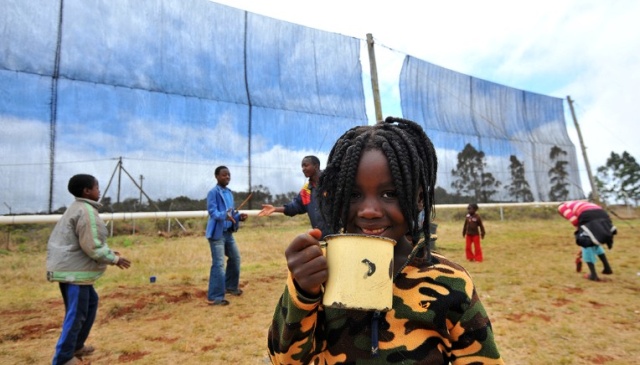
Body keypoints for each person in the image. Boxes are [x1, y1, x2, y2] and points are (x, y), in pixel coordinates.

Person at [267, 117, 503, 364]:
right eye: (354, 194)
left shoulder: (449, 281)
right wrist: (303, 293)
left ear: (419, 199)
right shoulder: (319, 274)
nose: (369, 210)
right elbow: (283, 360)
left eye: (390, 194)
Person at [46, 174, 131, 365]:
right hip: (74, 273)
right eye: (96, 187)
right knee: (76, 315)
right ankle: (63, 358)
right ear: (86, 191)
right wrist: (115, 259)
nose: (98, 191)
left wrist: (108, 252)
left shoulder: (80, 209)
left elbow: (88, 242)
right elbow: (92, 246)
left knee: (90, 303)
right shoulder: (85, 212)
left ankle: (76, 346)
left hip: (73, 270)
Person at [205, 165, 248, 306]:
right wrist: (225, 216)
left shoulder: (229, 193)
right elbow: (213, 212)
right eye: (224, 175)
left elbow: (232, 213)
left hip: (228, 233)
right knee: (218, 264)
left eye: (228, 175)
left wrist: (239, 217)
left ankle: (230, 287)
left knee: (235, 258)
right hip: (217, 234)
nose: (227, 177)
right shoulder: (213, 193)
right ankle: (215, 297)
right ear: (216, 176)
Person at [258, 155, 328, 238]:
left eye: (306, 165)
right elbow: (295, 207)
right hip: (320, 237)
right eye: (302, 166)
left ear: (316, 166)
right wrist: (275, 209)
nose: (303, 169)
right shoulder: (306, 191)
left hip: (340, 236)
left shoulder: (331, 183)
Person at [558, 200, 615, 281]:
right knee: (593, 240)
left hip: (588, 215)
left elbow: (575, 221)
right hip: (602, 214)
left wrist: (581, 235)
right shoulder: (577, 203)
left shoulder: (561, 207)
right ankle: (607, 268)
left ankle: (593, 275)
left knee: (585, 242)